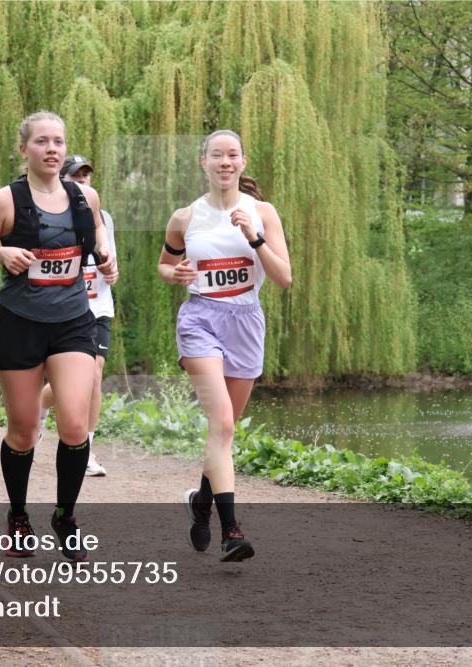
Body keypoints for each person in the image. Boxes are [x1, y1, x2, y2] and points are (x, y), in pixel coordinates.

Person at [0, 111, 116, 562]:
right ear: (24, 149)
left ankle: (65, 517)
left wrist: (104, 256)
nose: (52, 149)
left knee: (74, 423)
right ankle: (18, 515)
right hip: (19, 323)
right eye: (42, 142)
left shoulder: (84, 196)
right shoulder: (3, 201)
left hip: (73, 321)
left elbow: (98, 230)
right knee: (24, 431)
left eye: (59, 142)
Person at [158, 129, 291, 562]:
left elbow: (284, 276)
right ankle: (231, 530)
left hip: (246, 322)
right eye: (217, 155)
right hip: (201, 320)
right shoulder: (185, 217)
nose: (225, 162)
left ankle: (201, 501)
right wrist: (173, 274)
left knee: (224, 429)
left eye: (232, 155)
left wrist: (254, 238)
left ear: (243, 162)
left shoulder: (262, 212)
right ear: (204, 162)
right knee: (225, 426)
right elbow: (165, 262)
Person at [39, 154, 118, 477]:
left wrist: (111, 271)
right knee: (67, 383)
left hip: (98, 307)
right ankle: (38, 406)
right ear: (62, 181)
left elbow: (110, 259)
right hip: (64, 308)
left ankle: (85, 449)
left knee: (94, 376)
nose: (84, 182)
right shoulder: (49, 216)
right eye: (76, 177)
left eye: (87, 176)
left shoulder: (104, 218)